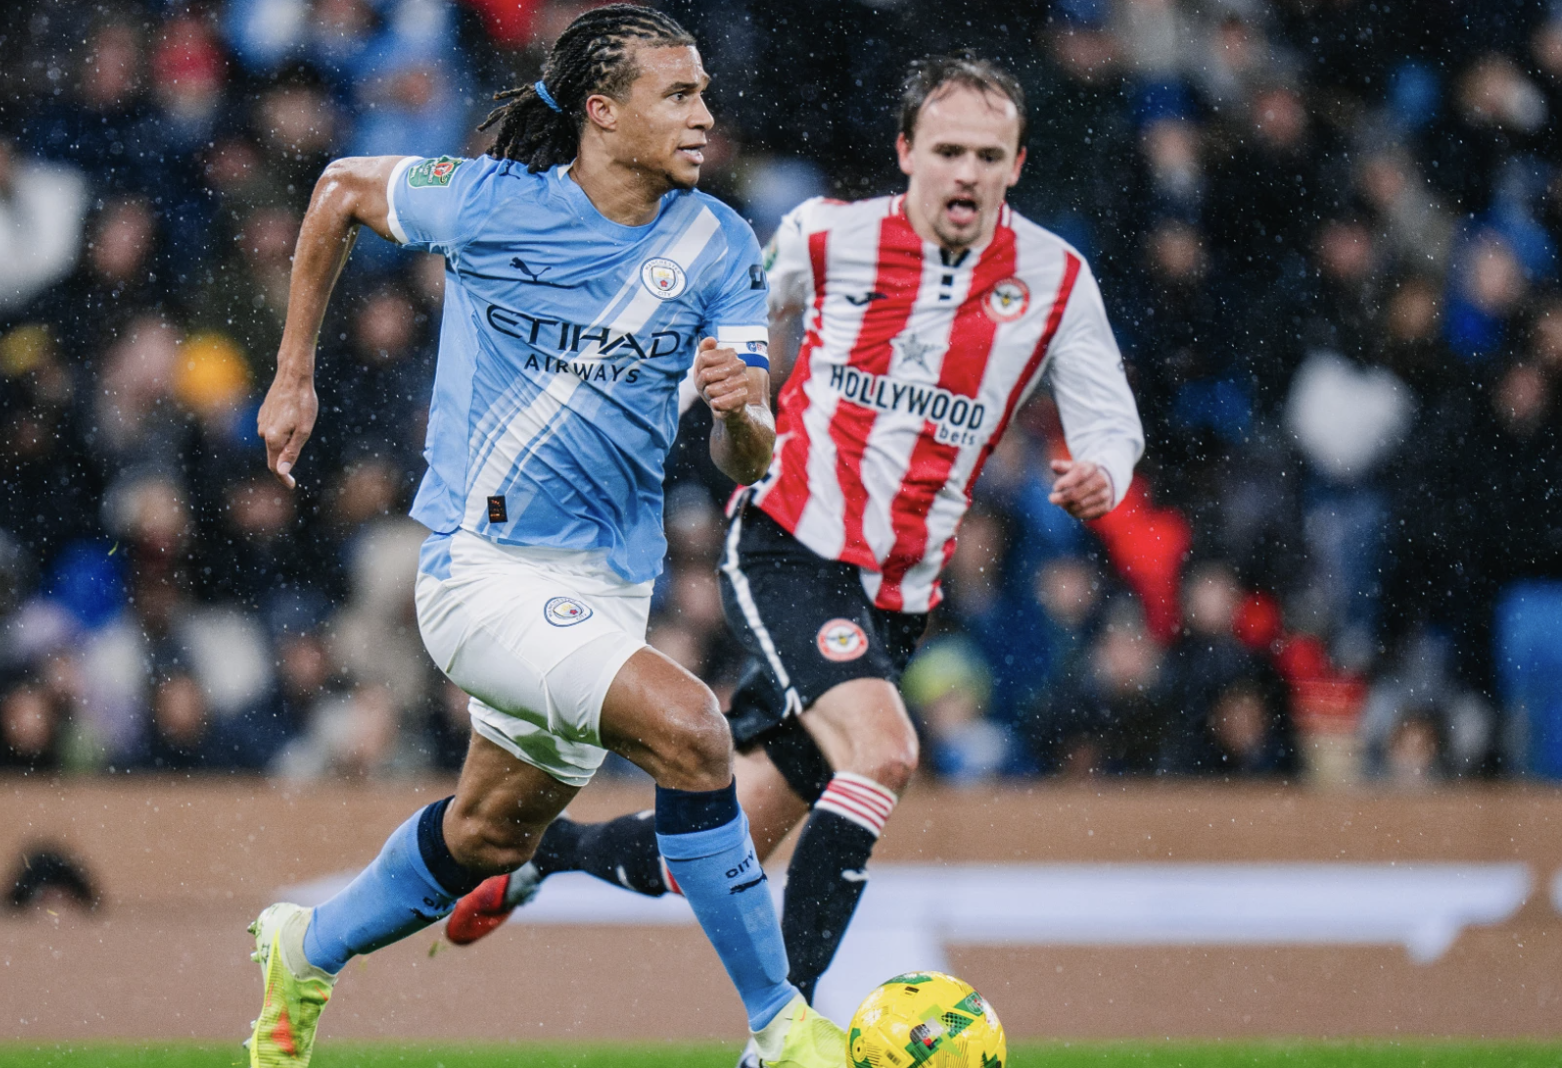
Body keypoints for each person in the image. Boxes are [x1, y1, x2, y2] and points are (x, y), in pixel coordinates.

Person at [445, 49, 1145, 1051]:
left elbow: (1108, 423)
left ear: (1016, 166)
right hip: (786, 544)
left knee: (698, 859)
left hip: (894, 601)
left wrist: (1102, 475)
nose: (963, 173)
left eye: (985, 156)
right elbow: (732, 338)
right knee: (886, 751)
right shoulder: (825, 238)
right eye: (945, 150)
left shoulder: (1054, 280)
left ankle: (534, 860)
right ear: (905, 152)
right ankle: (787, 1031)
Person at [244, 8, 844, 1067]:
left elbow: (740, 463)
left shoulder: (716, 245)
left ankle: (307, 947)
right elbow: (339, 188)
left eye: (705, 91)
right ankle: (780, 1027)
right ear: (602, 113)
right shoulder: (488, 204)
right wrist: (294, 374)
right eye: (680, 94)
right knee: (695, 732)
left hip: (605, 585)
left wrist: (744, 411)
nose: (706, 114)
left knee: (488, 835)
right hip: (480, 574)